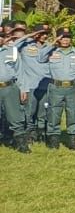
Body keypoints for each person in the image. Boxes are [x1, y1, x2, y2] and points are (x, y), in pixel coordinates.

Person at [37, 28, 75, 150]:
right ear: (58, 38)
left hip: (73, 88)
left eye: (68, 37)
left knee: (73, 114)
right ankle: (53, 140)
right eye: (62, 37)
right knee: (53, 113)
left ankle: (72, 140)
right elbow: (40, 57)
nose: (65, 39)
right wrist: (52, 43)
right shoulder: (51, 52)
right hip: (56, 88)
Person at [17, 28, 56, 141]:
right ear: (36, 34)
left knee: (43, 111)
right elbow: (13, 46)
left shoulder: (50, 46)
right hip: (29, 84)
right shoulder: (26, 45)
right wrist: (29, 35)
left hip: (45, 83)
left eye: (46, 34)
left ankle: (40, 133)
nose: (44, 36)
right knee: (29, 111)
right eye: (41, 33)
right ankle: (29, 132)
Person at [1, 23, 30, 152]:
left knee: (15, 117)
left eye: (3, 36)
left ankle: (21, 144)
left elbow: (20, 71)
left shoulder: (12, 51)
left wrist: (23, 89)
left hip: (9, 87)